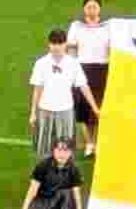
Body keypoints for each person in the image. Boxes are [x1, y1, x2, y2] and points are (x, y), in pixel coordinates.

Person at [29, 27, 92, 162]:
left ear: (65, 44)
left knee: (65, 148)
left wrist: (95, 107)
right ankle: (45, 172)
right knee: (44, 149)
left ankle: (64, 173)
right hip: (45, 110)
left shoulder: (73, 63)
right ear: (49, 44)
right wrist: (33, 113)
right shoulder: (41, 63)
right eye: (54, 43)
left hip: (65, 111)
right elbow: (37, 89)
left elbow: (83, 86)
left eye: (60, 43)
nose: (56, 47)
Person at [69, 0, 112, 156]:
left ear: (100, 9)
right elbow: (71, 47)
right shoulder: (76, 26)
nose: (92, 9)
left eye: (94, 6)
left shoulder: (108, 26)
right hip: (82, 69)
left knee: (98, 108)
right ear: (84, 9)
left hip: (102, 69)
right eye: (89, 6)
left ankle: (97, 142)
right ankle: (89, 143)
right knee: (84, 109)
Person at [21, 136, 86, 209]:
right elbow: (32, 190)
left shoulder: (74, 169)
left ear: (70, 153)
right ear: (53, 151)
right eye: (59, 150)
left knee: (65, 193)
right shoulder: (43, 165)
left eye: (66, 151)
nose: (62, 154)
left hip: (63, 204)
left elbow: (76, 194)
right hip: (44, 202)